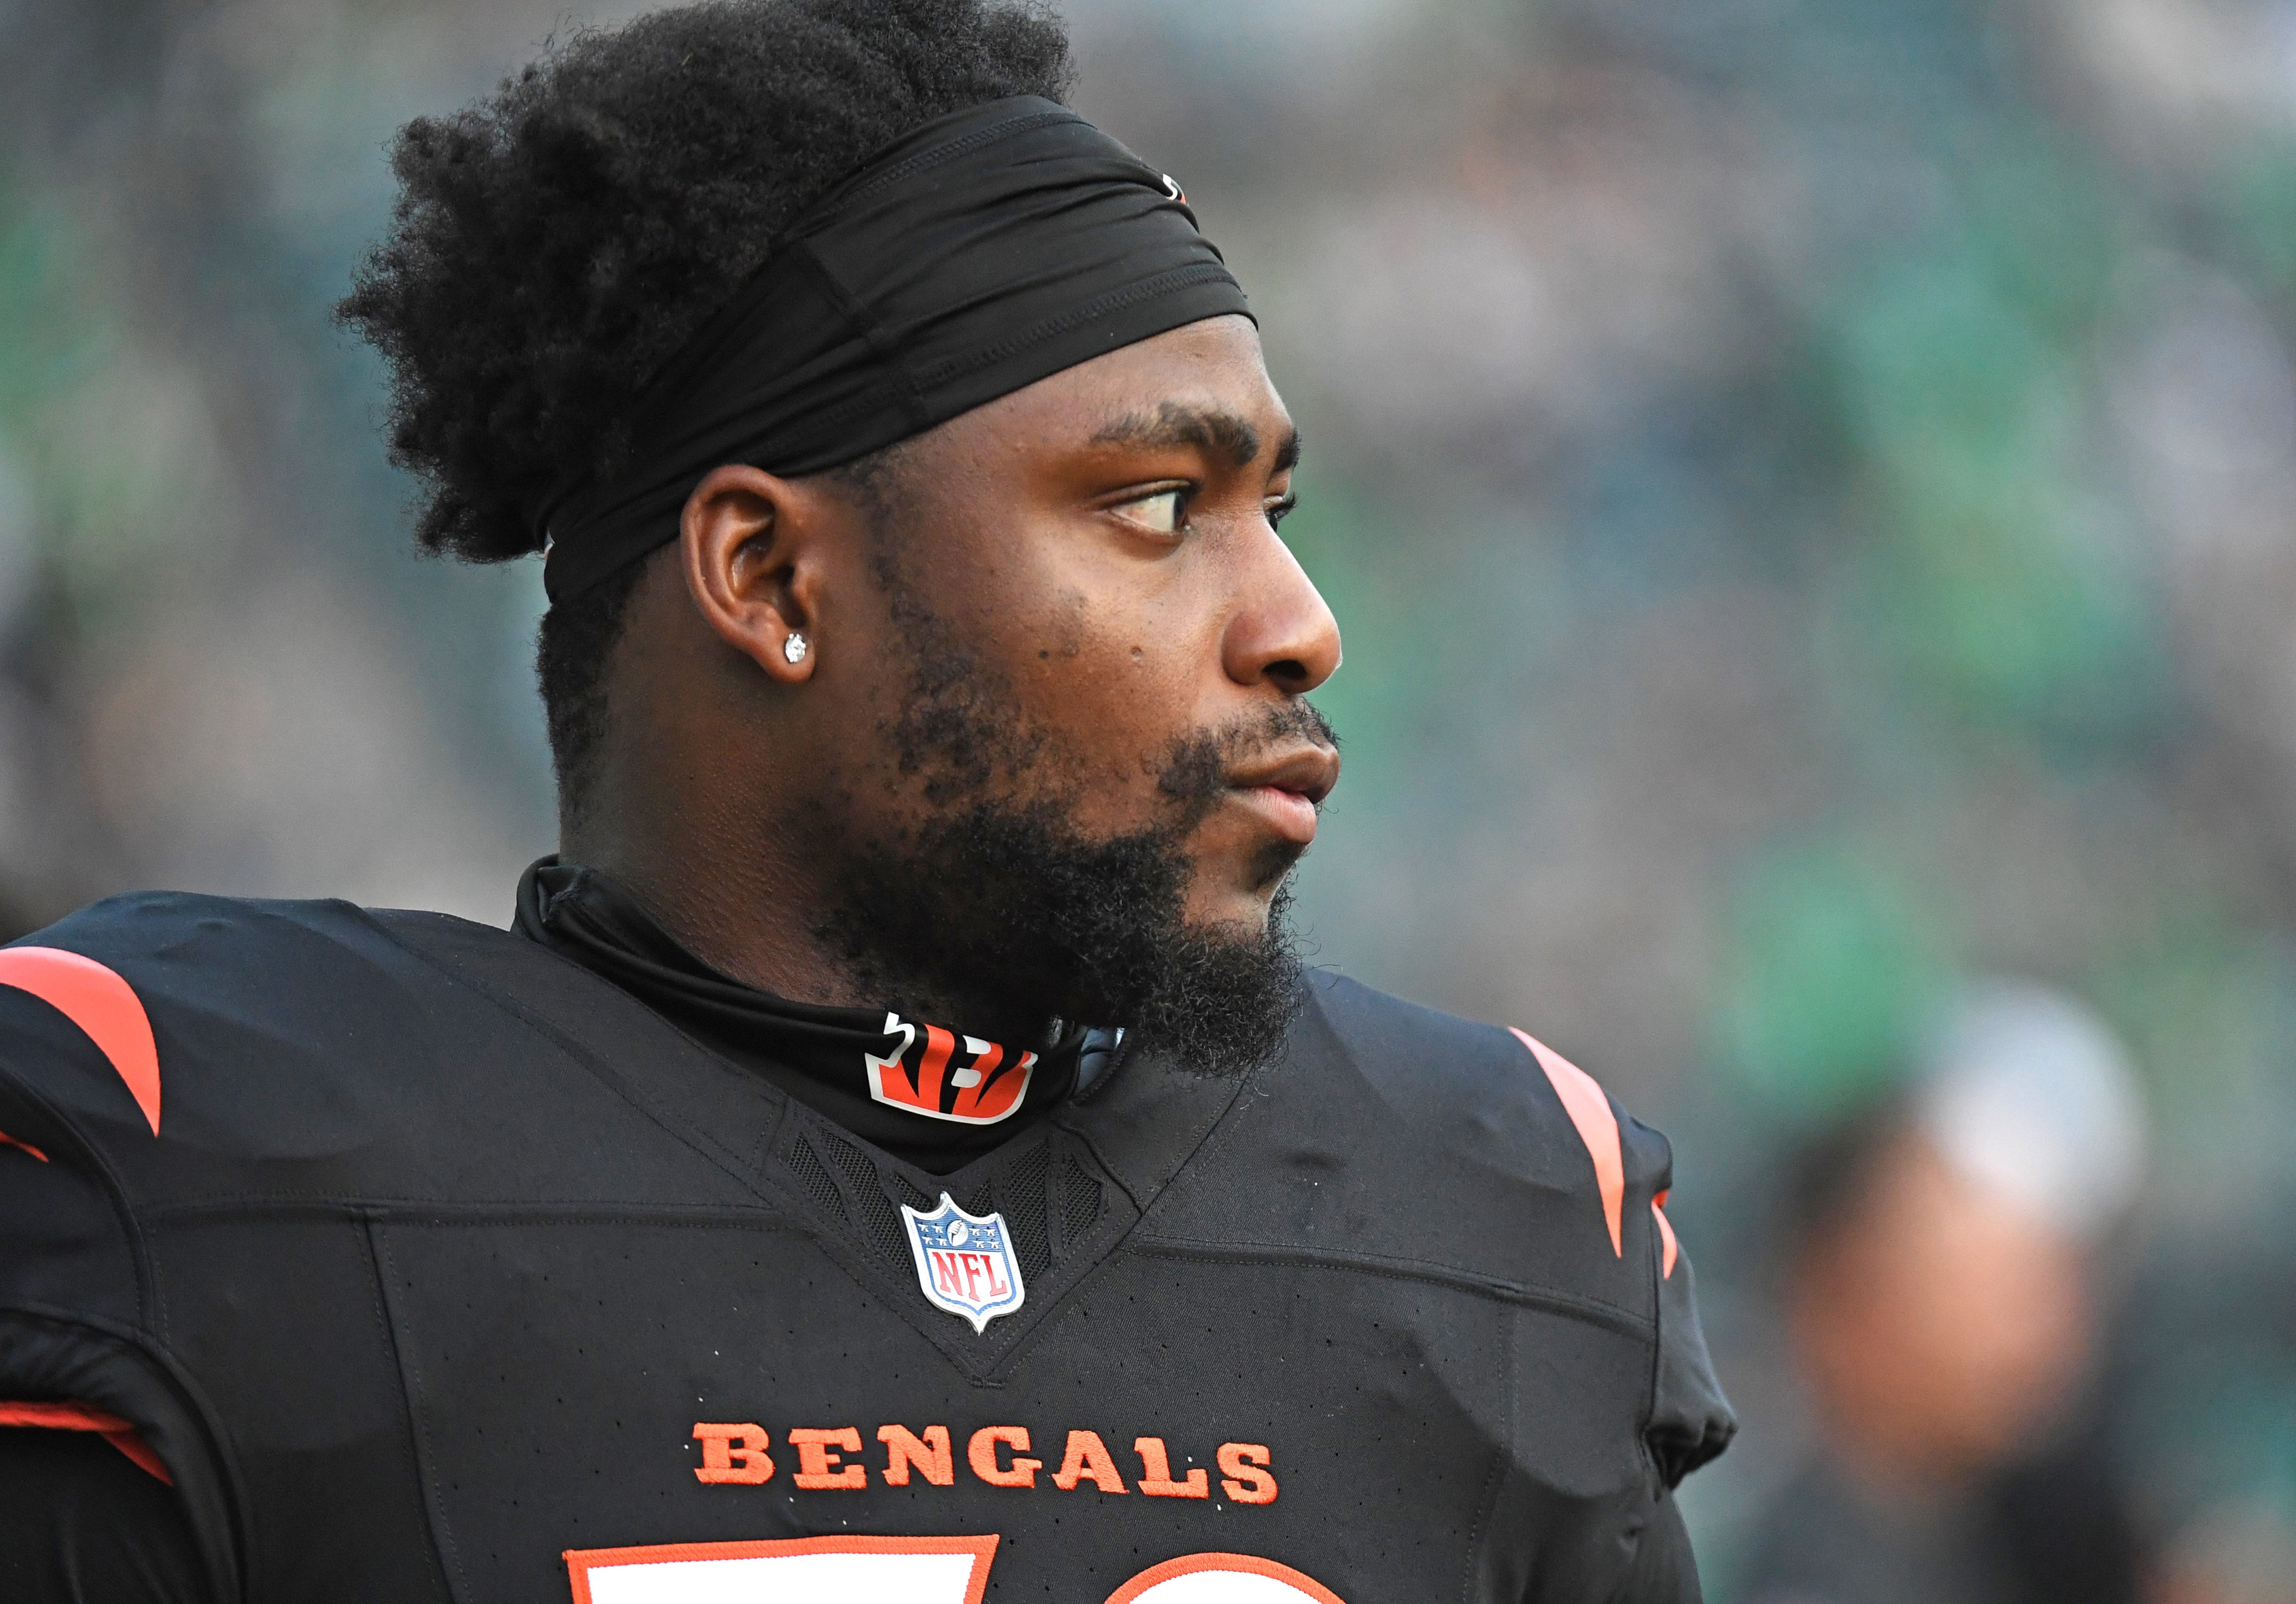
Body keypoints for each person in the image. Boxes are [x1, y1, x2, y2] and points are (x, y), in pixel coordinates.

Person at [0, 3, 1732, 1600]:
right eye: (1149, 505)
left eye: (1273, 507)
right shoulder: (197, 1171)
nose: (1300, 624)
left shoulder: (1507, 1220)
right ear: (765, 575)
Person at [1732, 983, 2149, 1604]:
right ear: (1838, 1285)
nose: (2045, 1322)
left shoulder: (2050, 1517)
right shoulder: (1737, 1525)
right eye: (1993, 1285)